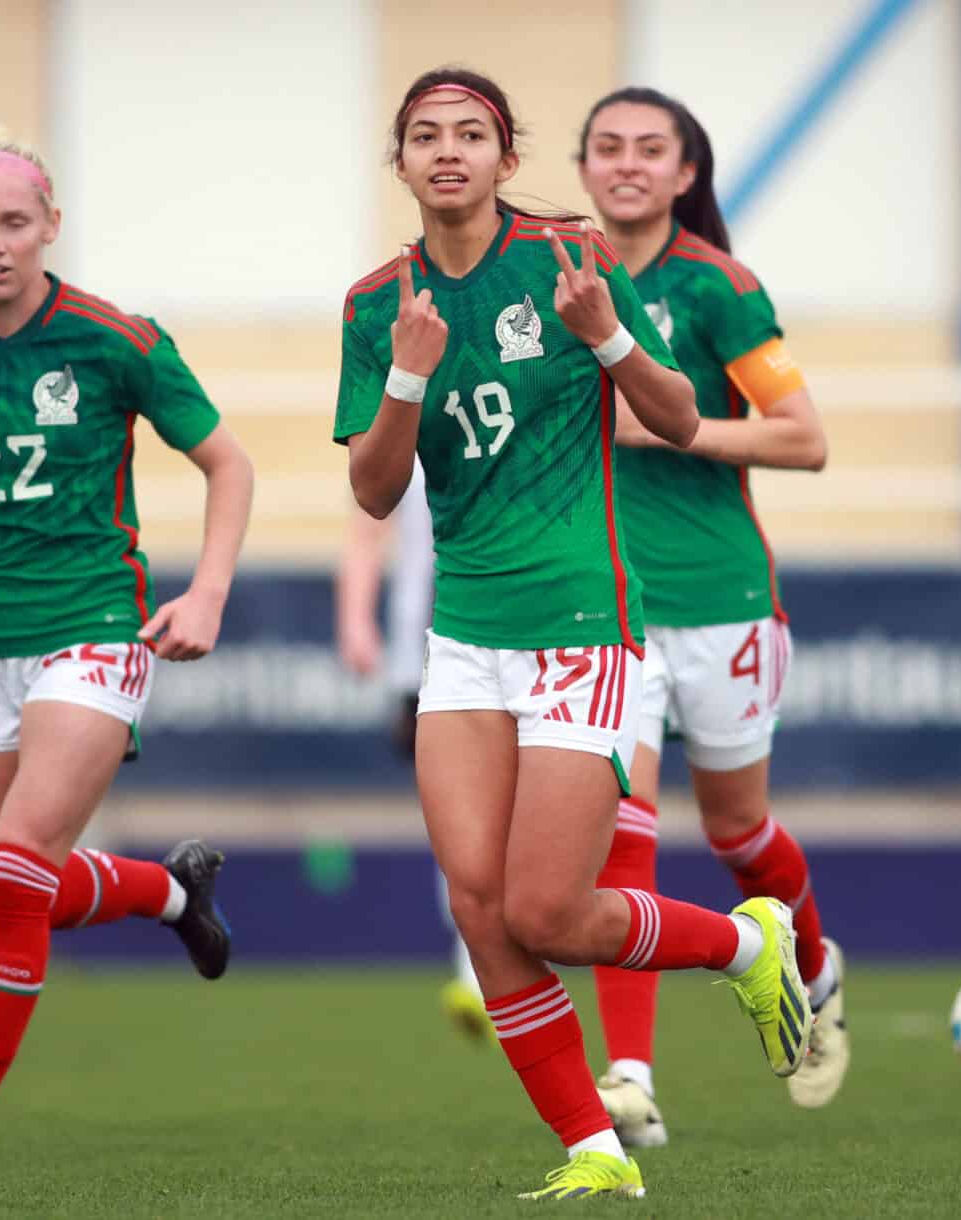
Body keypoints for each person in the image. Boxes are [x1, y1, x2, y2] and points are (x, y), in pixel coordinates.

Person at [335, 68, 811, 1201]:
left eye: (472, 135)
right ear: (398, 163)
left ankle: (749, 946)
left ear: (508, 157)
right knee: (479, 905)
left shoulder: (571, 258)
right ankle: (594, 1149)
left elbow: (682, 417)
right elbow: (371, 487)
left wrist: (604, 336)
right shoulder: (373, 303)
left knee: (549, 907)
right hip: (463, 637)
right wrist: (406, 370)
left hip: (584, 625)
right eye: (424, 137)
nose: (446, 151)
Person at [0, 127, 255, 1164]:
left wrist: (206, 591)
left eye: (14, 222)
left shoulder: (111, 339)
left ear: (50, 226)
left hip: (89, 631)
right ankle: (173, 892)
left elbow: (228, 463)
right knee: (9, 887)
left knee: (18, 865)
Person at [570, 87, 841, 1145]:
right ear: (584, 167)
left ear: (686, 173)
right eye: (607, 148)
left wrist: (668, 433)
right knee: (618, 832)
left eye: (651, 150)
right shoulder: (556, 282)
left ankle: (814, 976)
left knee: (737, 832)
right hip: (607, 609)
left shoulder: (720, 288)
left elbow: (803, 438)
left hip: (722, 597)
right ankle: (628, 1074)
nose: (626, 164)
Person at [333, 457, 489, 1037]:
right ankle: (475, 966)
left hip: (503, 642)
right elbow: (367, 523)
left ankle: (487, 961)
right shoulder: (406, 419)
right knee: (459, 821)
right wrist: (355, 618)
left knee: (504, 817)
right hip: (423, 659)